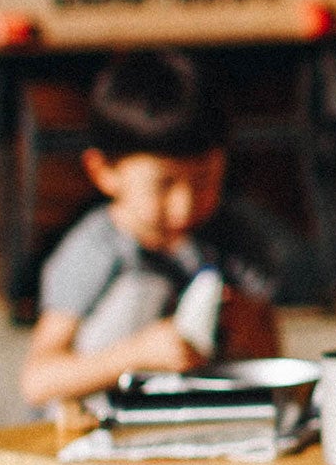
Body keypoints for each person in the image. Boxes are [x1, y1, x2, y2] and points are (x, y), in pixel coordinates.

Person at [18, 53, 280, 408]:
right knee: (142, 291)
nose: (184, 206)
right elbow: (37, 381)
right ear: (104, 172)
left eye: (203, 181)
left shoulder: (233, 237)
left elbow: (273, 357)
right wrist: (135, 354)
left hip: (196, 426)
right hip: (97, 427)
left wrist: (249, 324)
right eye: (163, 184)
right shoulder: (97, 248)